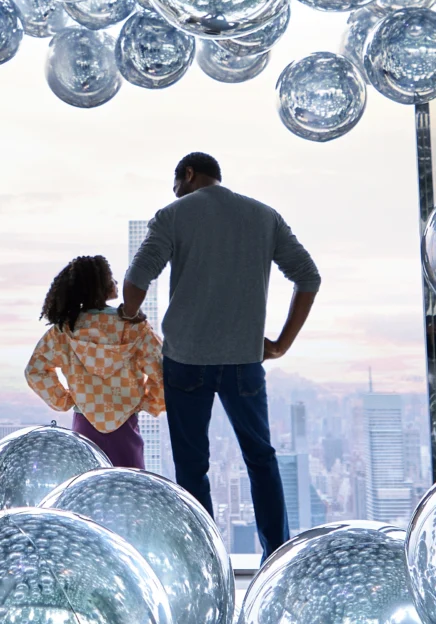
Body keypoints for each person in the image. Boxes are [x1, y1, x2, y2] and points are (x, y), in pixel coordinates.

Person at [120, 151, 319, 555]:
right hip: (245, 362)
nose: (176, 194)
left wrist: (130, 316)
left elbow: (136, 280)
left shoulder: (173, 215)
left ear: (188, 174)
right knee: (260, 459)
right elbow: (308, 277)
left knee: (193, 468)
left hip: (186, 361)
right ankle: (276, 555)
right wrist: (281, 343)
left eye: (176, 185)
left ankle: (207, 561)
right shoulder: (265, 216)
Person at [23, 253, 165, 469]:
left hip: (83, 424)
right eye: (111, 278)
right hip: (126, 425)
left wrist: (65, 400)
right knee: (129, 488)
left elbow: (35, 371)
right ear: (101, 286)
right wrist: (149, 401)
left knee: (87, 490)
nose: (116, 283)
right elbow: (164, 371)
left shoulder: (64, 329)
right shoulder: (133, 326)